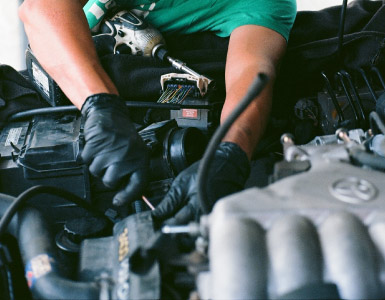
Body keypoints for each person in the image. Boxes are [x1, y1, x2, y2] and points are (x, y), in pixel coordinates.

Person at [19, 0, 297, 224]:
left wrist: (229, 154)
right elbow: (40, 9)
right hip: (68, 95)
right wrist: (100, 105)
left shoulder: (269, 4)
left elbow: (251, 76)